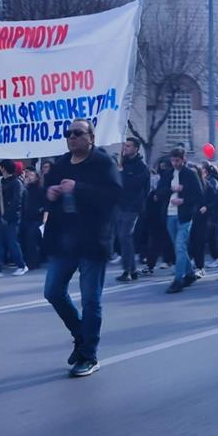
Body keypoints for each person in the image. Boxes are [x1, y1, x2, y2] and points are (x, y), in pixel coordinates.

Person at [42, 119, 120, 377]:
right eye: (68, 133)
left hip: (92, 240)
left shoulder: (102, 162)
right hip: (63, 240)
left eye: (78, 133)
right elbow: (45, 193)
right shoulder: (61, 163)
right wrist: (50, 193)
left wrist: (80, 188)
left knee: (90, 300)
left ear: (91, 137)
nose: (72, 137)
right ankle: (80, 335)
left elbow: (114, 196)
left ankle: (89, 355)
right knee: (53, 291)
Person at [158, 148, 202, 294]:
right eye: (173, 160)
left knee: (180, 246)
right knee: (178, 246)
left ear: (184, 159)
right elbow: (159, 192)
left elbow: (199, 195)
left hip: (184, 215)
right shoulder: (167, 174)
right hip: (169, 214)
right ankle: (189, 274)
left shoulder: (190, 174)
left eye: (178, 160)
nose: (175, 163)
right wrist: (172, 189)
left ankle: (178, 280)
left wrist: (183, 200)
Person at [115, 137, 149, 282]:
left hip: (132, 206)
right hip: (120, 205)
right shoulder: (122, 164)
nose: (125, 148)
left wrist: (121, 174)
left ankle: (127, 270)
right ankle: (132, 270)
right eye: (125, 146)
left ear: (136, 148)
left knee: (125, 236)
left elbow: (135, 185)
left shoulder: (141, 167)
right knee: (123, 238)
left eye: (129, 146)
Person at [0, 159, 28, 278]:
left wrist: (8, 215)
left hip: (11, 218)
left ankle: (21, 265)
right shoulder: (1, 182)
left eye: (0, 167)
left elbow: (17, 201)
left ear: (4, 168)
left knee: (12, 242)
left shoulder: (16, 183)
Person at [20, 167, 46, 270]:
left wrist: (40, 212)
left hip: (37, 219)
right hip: (26, 217)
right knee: (25, 239)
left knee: (32, 240)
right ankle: (27, 260)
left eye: (31, 175)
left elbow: (45, 204)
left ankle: (34, 262)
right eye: (27, 176)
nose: (29, 177)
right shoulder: (26, 189)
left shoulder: (40, 189)